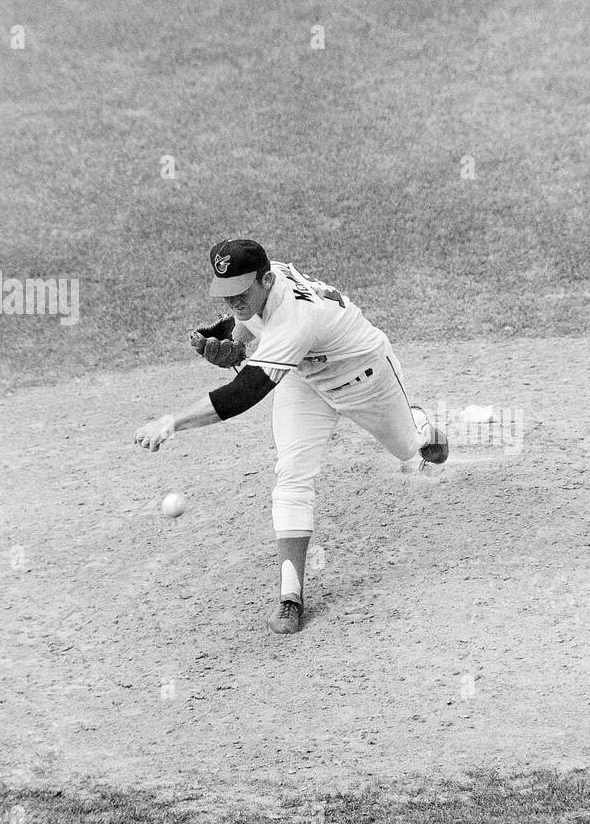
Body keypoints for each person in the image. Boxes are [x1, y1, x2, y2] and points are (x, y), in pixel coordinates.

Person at [134, 238, 447, 634]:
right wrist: (233, 339)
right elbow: (247, 321)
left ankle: (419, 424)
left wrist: (171, 422)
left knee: (407, 449)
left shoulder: (296, 320)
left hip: (365, 379)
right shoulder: (265, 282)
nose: (233, 302)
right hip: (305, 379)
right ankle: (290, 596)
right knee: (292, 476)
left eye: (240, 293)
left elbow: (243, 394)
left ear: (266, 279)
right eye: (226, 294)